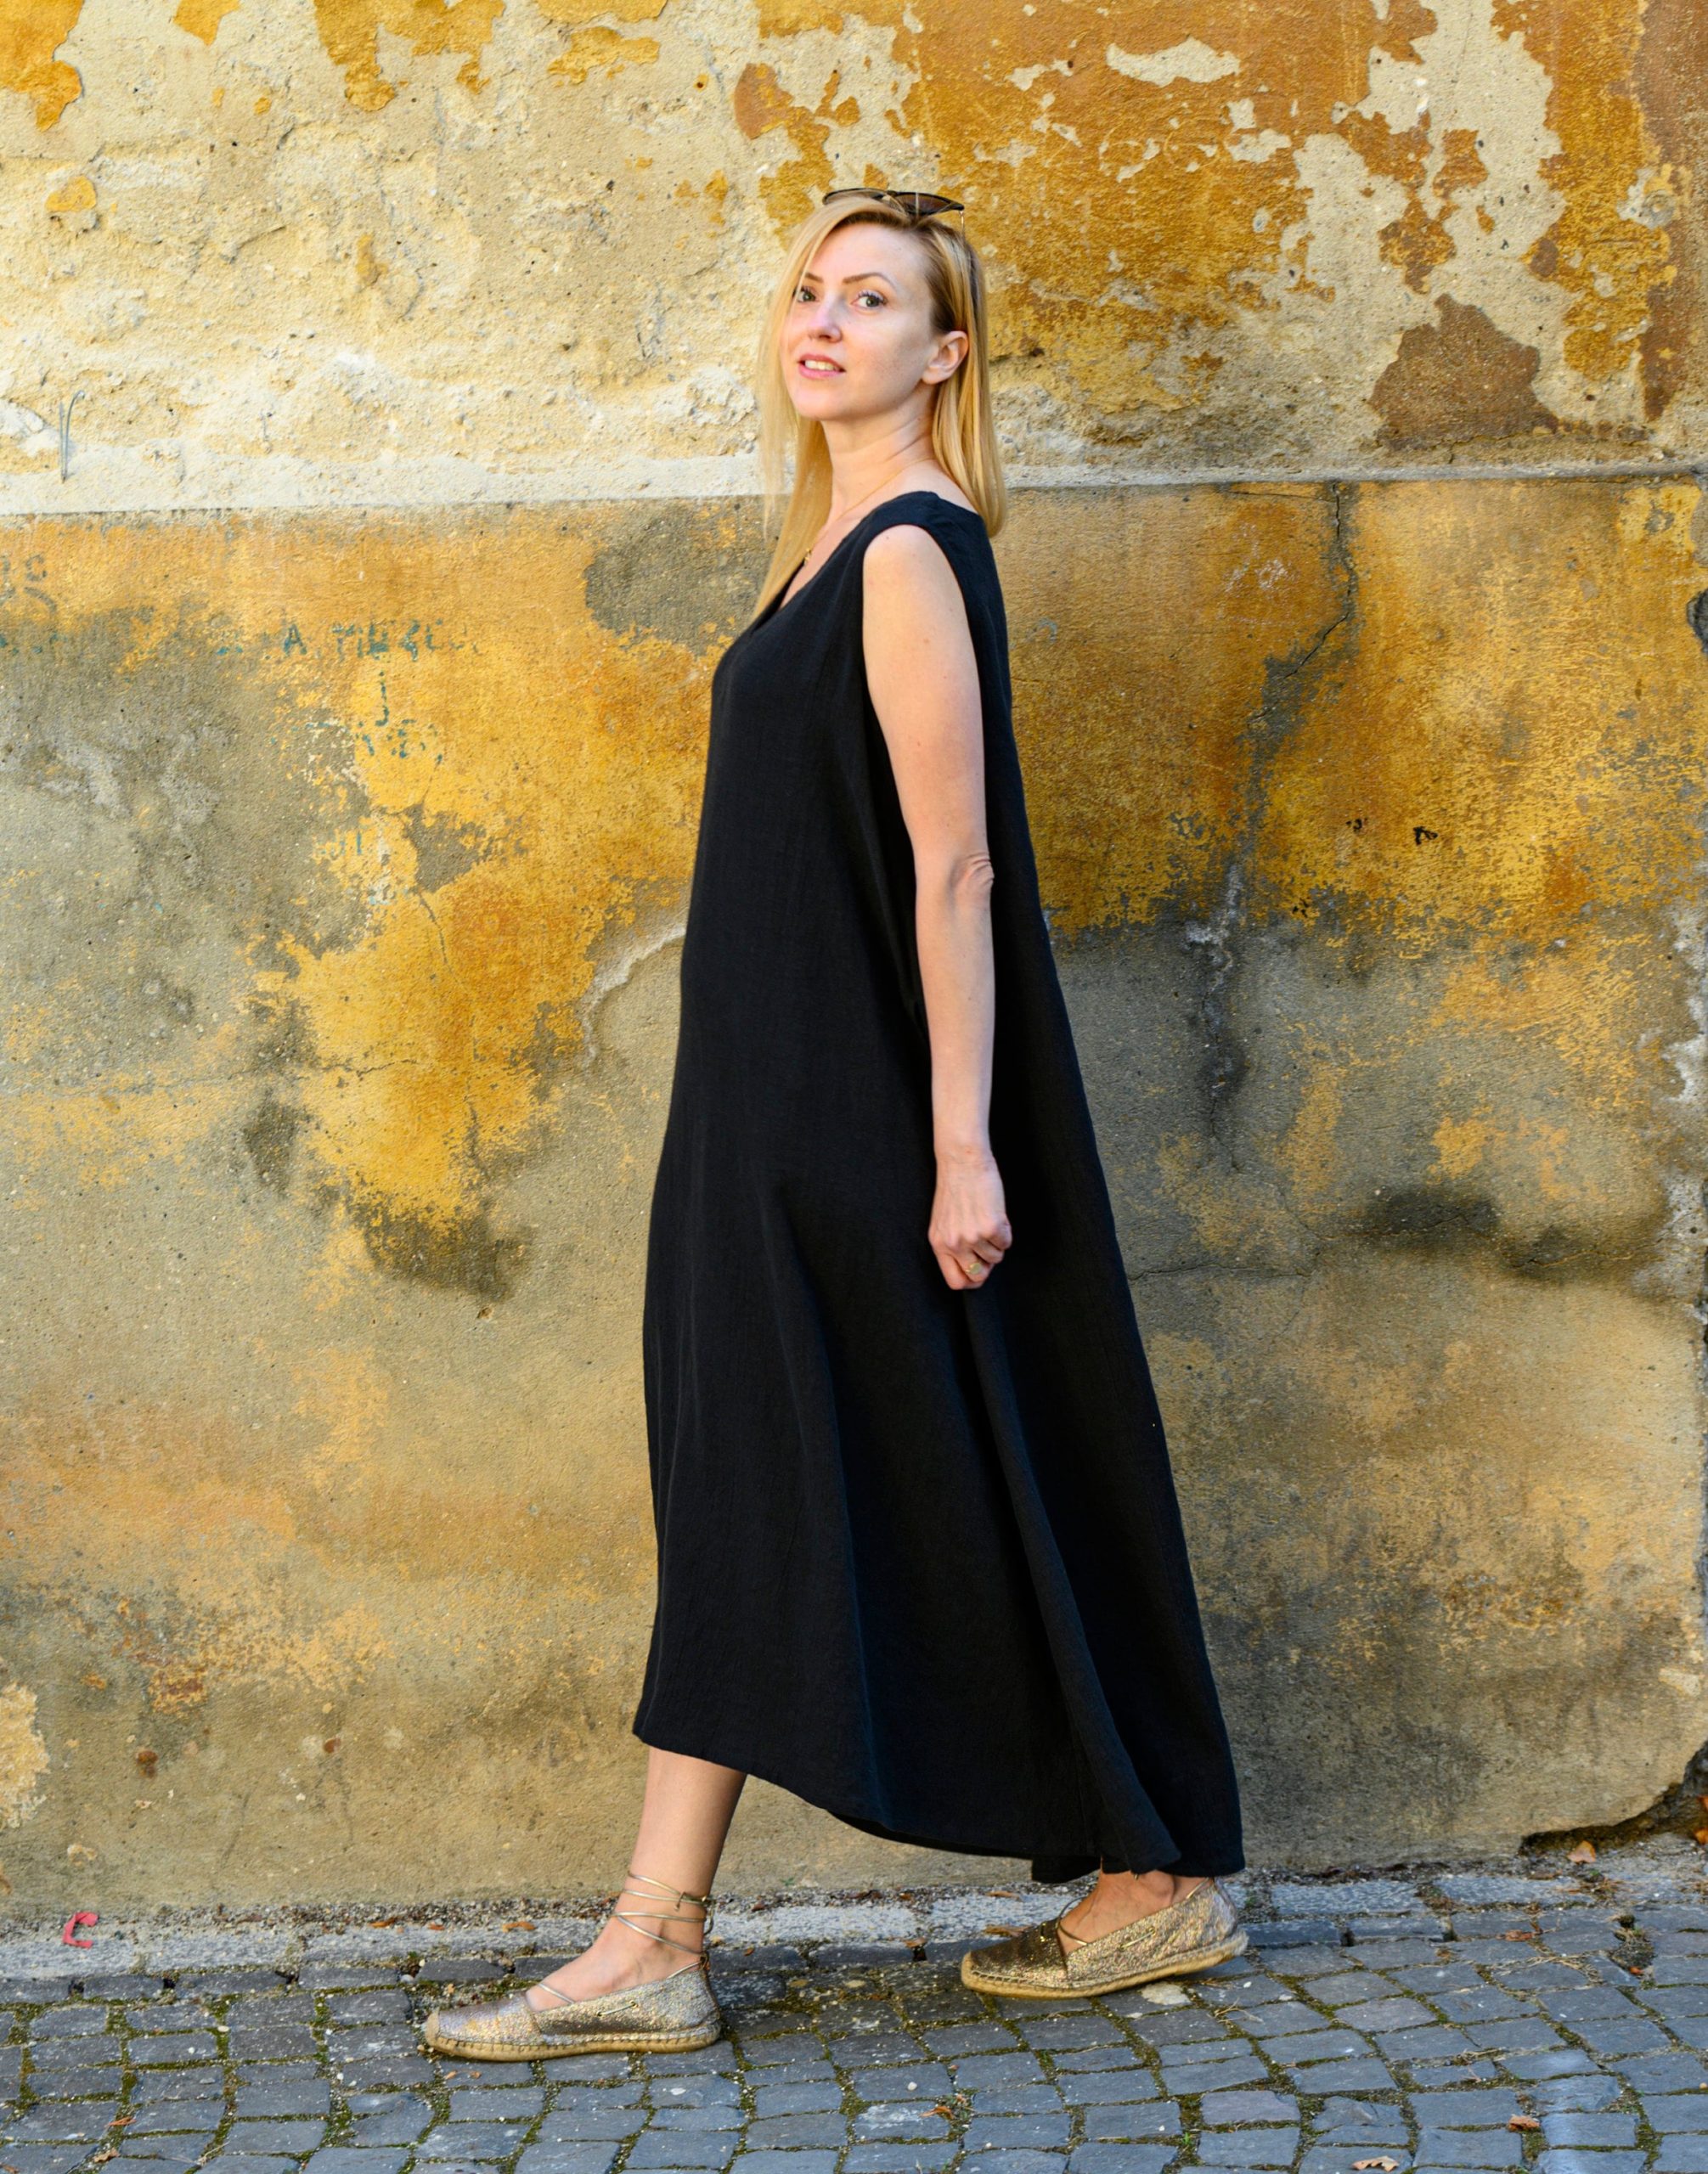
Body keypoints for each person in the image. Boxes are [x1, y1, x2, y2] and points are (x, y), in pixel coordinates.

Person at [424, 185, 1245, 2064]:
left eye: (871, 299)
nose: (823, 319)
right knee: (807, 1476)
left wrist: (960, 1146)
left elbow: (954, 868)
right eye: (810, 288)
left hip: (857, 1114)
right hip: (766, 1107)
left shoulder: (908, 552)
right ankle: (1089, 1871)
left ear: (943, 355)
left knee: (905, 1462)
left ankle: (681, 1937)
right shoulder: (827, 550)